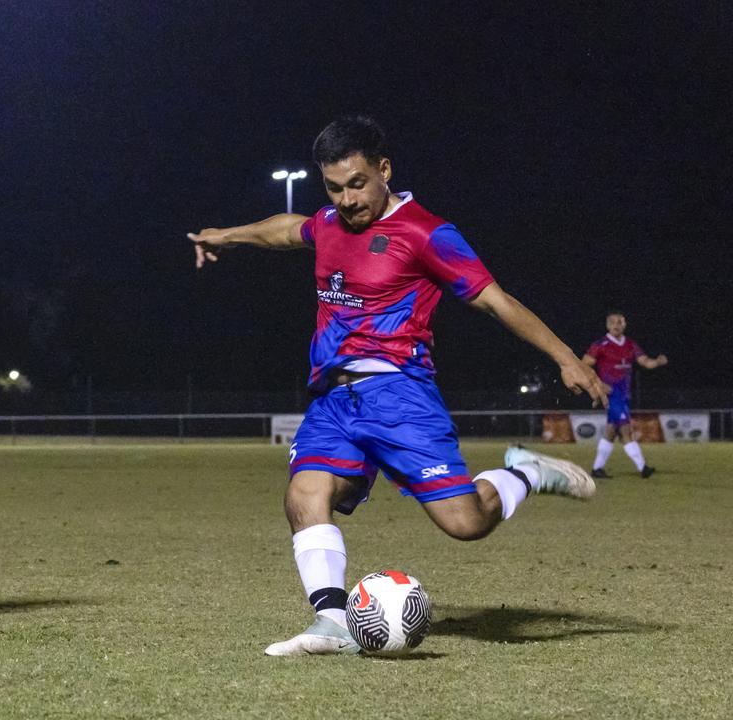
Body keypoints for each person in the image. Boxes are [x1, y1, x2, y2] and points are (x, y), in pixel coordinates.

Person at [187, 116, 606, 656]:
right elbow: (289, 229)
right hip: (334, 398)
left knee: (466, 523)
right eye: (334, 188)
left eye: (357, 183)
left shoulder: (428, 233)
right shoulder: (331, 224)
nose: (346, 199)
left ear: (384, 170)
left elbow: (495, 300)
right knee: (304, 494)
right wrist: (231, 235)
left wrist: (566, 358)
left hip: (400, 395)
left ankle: (525, 473)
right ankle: (333, 623)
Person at [583, 311, 667, 478]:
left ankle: (597, 469)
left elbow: (645, 362)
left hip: (623, 394)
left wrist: (656, 362)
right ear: (607, 325)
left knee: (611, 432)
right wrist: (598, 384)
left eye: (620, 322)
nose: (616, 325)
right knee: (626, 430)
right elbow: (584, 365)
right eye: (613, 322)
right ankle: (643, 468)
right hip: (612, 394)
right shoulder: (601, 344)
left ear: (625, 324)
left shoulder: (630, 344)